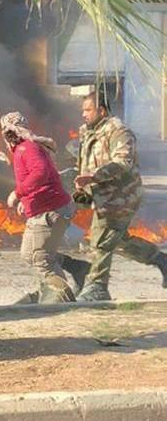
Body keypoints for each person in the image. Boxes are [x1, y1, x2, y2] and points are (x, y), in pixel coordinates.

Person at [73, 91, 167, 301]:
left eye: (88, 110)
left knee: (102, 240)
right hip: (101, 197)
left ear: (101, 110)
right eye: (83, 110)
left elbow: (123, 163)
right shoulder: (88, 131)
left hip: (121, 197)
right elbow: (85, 162)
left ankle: (97, 288)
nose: (83, 114)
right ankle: (161, 260)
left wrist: (95, 176)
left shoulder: (119, 132)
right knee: (119, 242)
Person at [1, 112, 89, 304]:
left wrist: (18, 193)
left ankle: (61, 301)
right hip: (46, 208)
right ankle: (76, 268)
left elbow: (40, 173)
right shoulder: (25, 148)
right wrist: (26, 201)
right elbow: (42, 178)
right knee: (29, 254)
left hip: (49, 211)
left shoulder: (27, 148)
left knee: (42, 259)